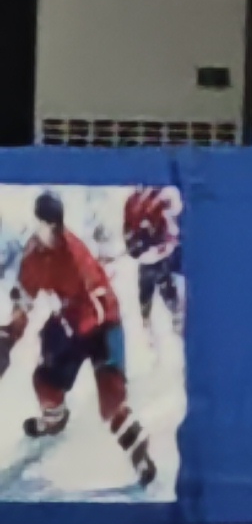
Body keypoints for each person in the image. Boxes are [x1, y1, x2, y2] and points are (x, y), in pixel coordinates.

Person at [5, 192, 161, 490]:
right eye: (47, 224)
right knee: (45, 381)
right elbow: (23, 300)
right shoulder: (33, 257)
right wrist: (9, 334)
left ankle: (139, 453)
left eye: (55, 224)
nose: (53, 231)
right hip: (73, 324)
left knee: (111, 403)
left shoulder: (75, 254)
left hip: (103, 325)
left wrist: (68, 329)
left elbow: (99, 304)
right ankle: (54, 420)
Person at [120, 183, 181, 335]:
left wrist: (162, 242)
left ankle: (176, 318)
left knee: (166, 288)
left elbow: (171, 219)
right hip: (145, 258)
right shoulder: (132, 201)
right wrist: (132, 244)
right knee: (146, 293)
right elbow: (127, 226)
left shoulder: (159, 197)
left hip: (160, 255)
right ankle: (146, 326)